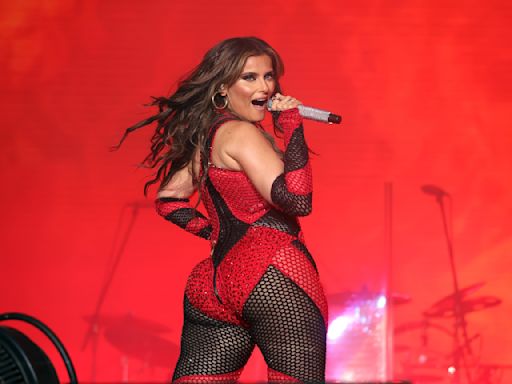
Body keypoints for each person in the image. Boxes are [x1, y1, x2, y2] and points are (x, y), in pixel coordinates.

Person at [117, 37, 328, 383]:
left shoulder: (208, 138)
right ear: (222, 88)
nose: (265, 86)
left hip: (211, 284)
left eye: (269, 76)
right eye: (250, 77)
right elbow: (296, 200)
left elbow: (169, 199)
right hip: (273, 275)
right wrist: (291, 127)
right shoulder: (243, 134)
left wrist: (212, 232)